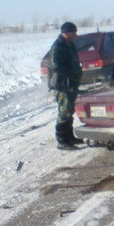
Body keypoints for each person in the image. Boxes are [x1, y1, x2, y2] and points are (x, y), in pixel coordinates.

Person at [47, 22, 83, 150]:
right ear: (66, 32)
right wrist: (72, 74)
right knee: (64, 112)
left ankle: (69, 137)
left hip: (71, 83)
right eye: (73, 32)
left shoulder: (69, 45)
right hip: (62, 85)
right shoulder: (58, 46)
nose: (76, 34)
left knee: (69, 110)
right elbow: (56, 66)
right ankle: (62, 140)